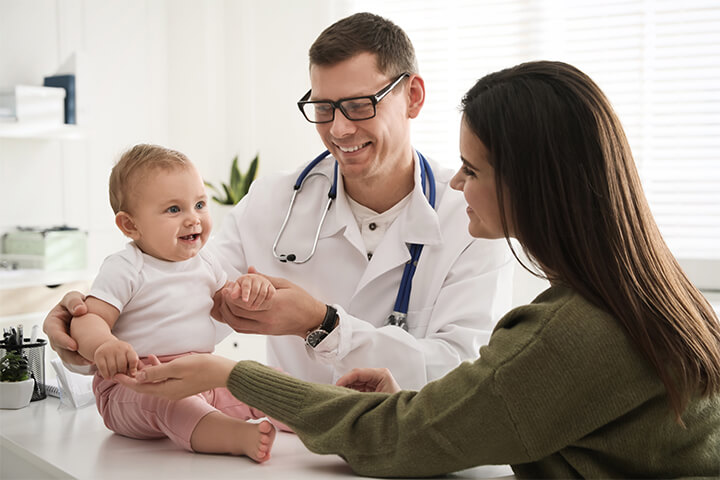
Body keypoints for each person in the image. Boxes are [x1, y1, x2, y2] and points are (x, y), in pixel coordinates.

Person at [117, 61, 720, 478]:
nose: (458, 183)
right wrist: (97, 310)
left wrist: (246, 367)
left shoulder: (571, 330)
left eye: (473, 169)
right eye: (323, 108)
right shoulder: (639, 290)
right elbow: (179, 279)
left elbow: (405, 436)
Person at [44, 12, 513, 390]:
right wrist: (90, 329)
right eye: (324, 108)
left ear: (412, 96)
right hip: (288, 451)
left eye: (358, 105)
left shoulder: (472, 214)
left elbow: (461, 375)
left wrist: (322, 323)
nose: (339, 129)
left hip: (404, 453)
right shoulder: (273, 202)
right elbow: (179, 302)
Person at [73, 144, 276, 461]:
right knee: (173, 404)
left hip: (201, 376)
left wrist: (249, 289)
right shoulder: (126, 268)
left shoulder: (207, 262)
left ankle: (312, 416)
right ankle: (233, 436)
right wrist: (103, 346)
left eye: (199, 204)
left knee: (256, 384)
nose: (193, 219)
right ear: (130, 225)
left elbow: (227, 303)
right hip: (135, 386)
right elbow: (88, 318)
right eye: (174, 210)